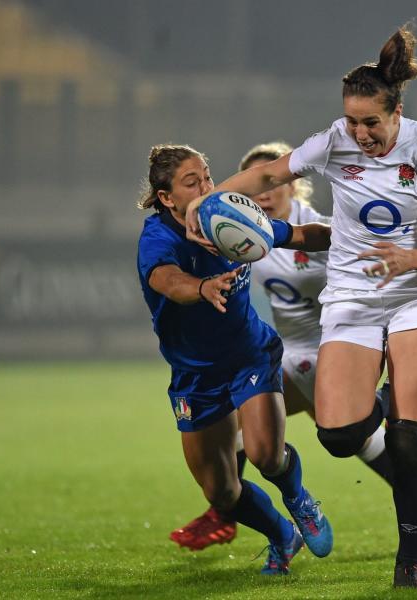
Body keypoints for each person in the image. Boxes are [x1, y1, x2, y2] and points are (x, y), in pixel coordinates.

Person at [185, 26, 417, 589]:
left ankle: (409, 558)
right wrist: (211, 198)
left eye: (371, 122)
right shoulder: (334, 141)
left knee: (408, 436)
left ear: (396, 113)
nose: (360, 133)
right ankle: (384, 401)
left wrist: (413, 259)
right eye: (352, 120)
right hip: (351, 295)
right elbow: (270, 172)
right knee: (339, 436)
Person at [170, 141, 417, 551]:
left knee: (295, 431)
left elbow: (369, 271)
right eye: (254, 188)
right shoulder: (241, 232)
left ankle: (224, 514)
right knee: (255, 430)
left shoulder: (317, 231)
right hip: (292, 352)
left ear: (291, 185)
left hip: (332, 349)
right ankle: (224, 513)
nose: (264, 193)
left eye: (273, 183)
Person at [136, 144, 334, 576]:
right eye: (193, 183)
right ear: (167, 198)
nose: (207, 187)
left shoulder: (228, 212)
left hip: (250, 356)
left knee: (265, 455)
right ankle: (283, 535)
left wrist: (354, 237)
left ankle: (299, 499)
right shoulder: (158, 237)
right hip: (195, 376)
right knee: (221, 492)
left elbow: (299, 235)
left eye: (207, 176)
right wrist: (201, 288)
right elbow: (165, 280)